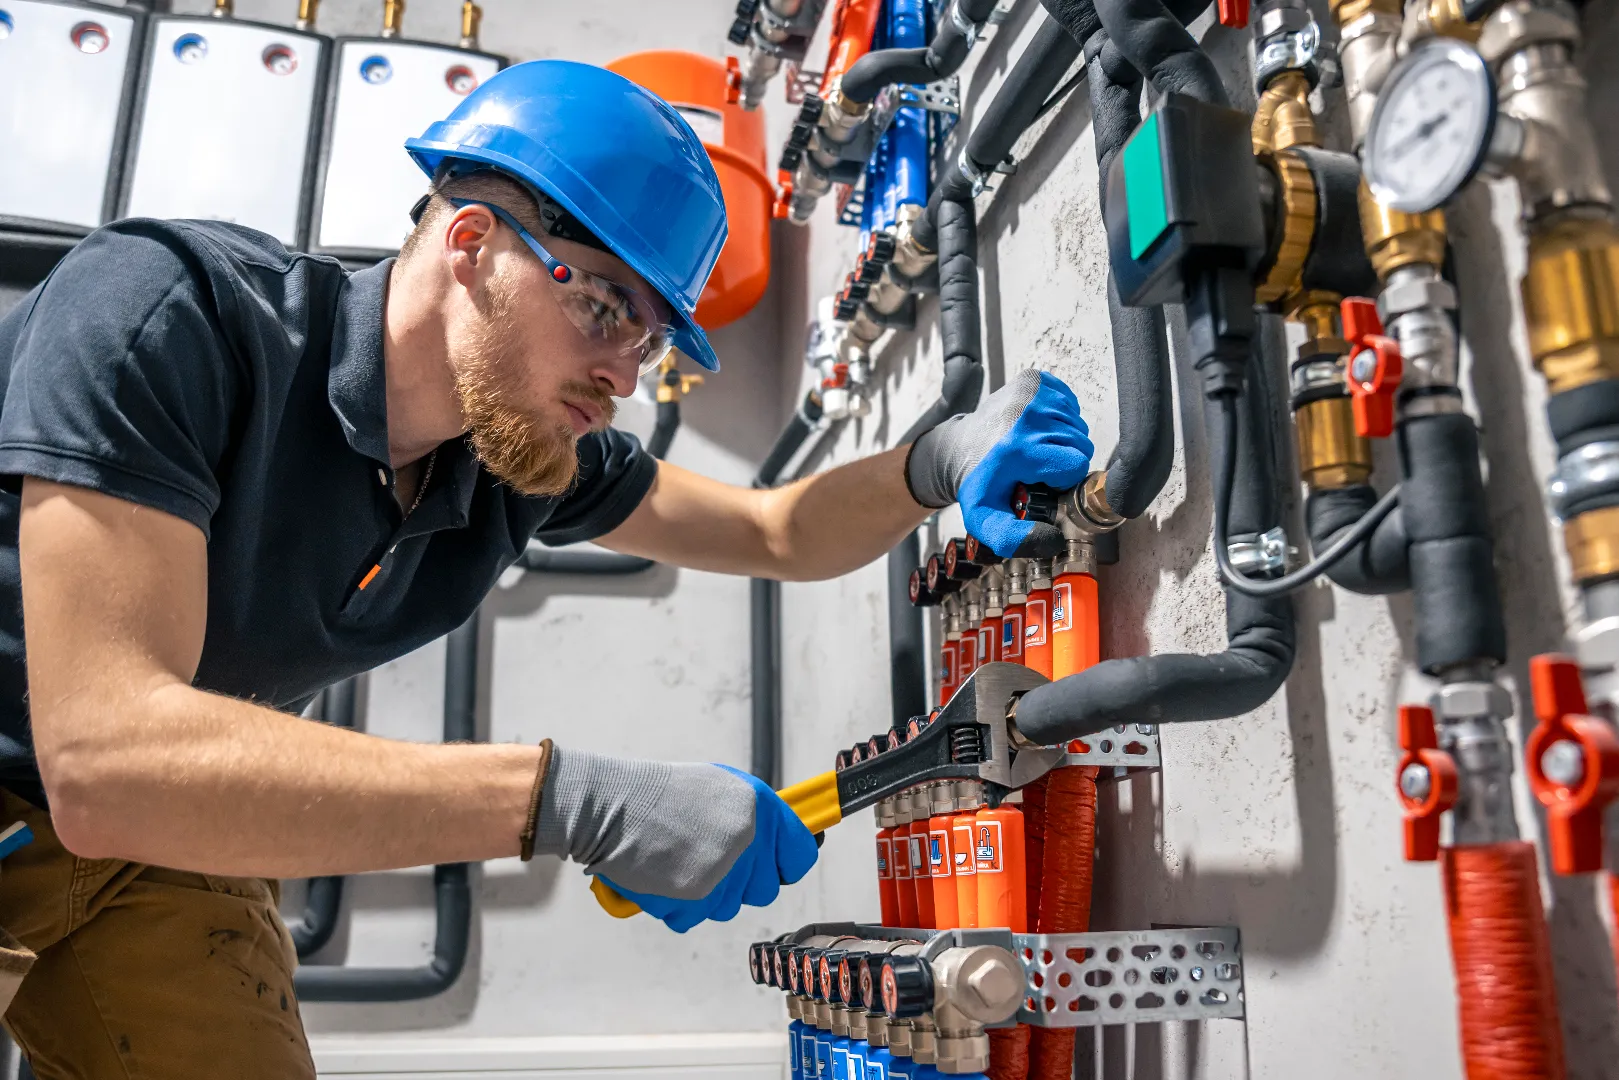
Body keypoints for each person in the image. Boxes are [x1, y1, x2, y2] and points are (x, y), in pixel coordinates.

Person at [0, 59, 1093, 1076]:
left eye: (652, 337)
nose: (622, 369)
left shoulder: (514, 456)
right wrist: (575, 799)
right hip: (98, 781)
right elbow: (111, 758)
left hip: (165, 843)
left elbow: (773, 532)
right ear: (469, 240)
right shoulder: (167, 313)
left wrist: (933, 462)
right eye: (602, 306)